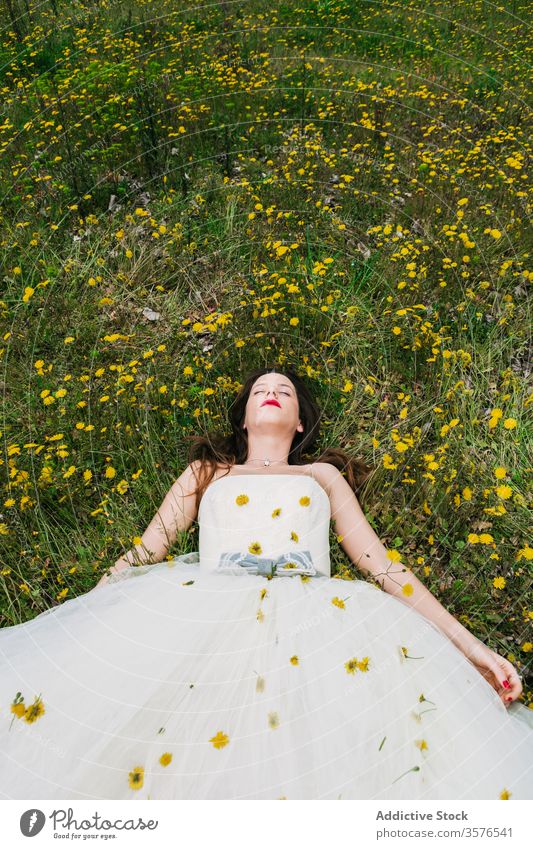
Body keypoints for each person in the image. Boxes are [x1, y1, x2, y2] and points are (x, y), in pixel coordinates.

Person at [1, 366, 532, 800]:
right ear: (245, 417)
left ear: (299, 423)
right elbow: (143, 552)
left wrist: (473, 648)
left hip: (316, 630)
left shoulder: (320, 476)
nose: (272, 393)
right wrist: (82, 619)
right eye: (261, 390)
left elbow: (384, 567)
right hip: (204, 619)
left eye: (284, 391)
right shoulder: (207, 473)